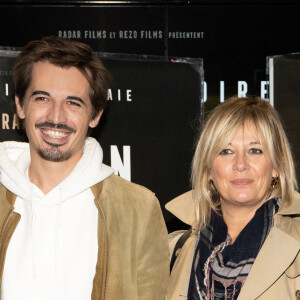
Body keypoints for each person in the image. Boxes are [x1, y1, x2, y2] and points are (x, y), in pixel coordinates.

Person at [0, 36, 169, 300]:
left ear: (95, 115)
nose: (56, 117)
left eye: (73, 102)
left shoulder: (138, 209)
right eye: (43, 98)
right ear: (21, 105)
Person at [166, 96, 300, 300]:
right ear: (208, 169)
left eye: (255, 150)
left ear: (276, 166)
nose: (240, 164)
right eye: (226, 151)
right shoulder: (174, 250)